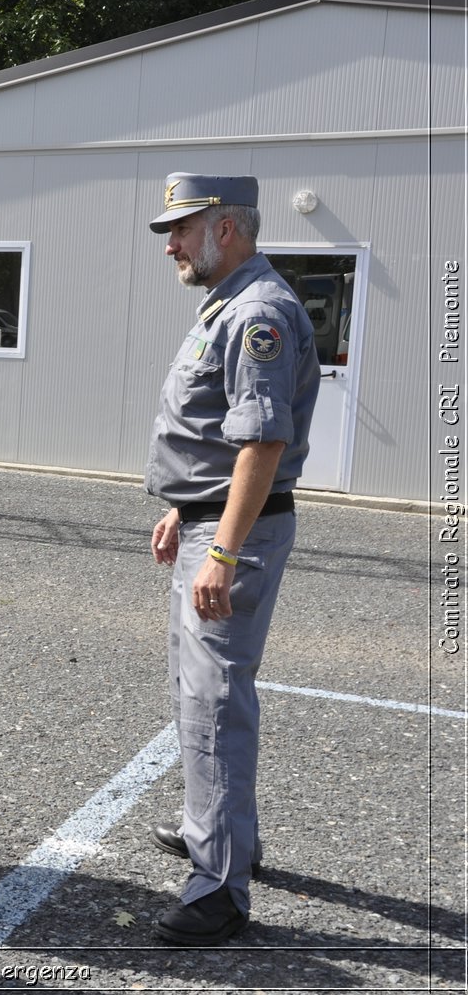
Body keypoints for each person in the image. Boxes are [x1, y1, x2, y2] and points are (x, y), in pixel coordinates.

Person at [143, 172, 319, 946]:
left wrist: (221, 546)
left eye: (183, 228)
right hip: (213, 524)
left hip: (234, 540)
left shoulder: (258, 313)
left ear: (229, 228)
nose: (172, 244)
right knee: (195, 688)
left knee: (216, 704)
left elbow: (262, 442)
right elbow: (219, 432)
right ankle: (216, 832)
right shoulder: (226, 303)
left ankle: (219, 890)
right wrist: (187, 507)